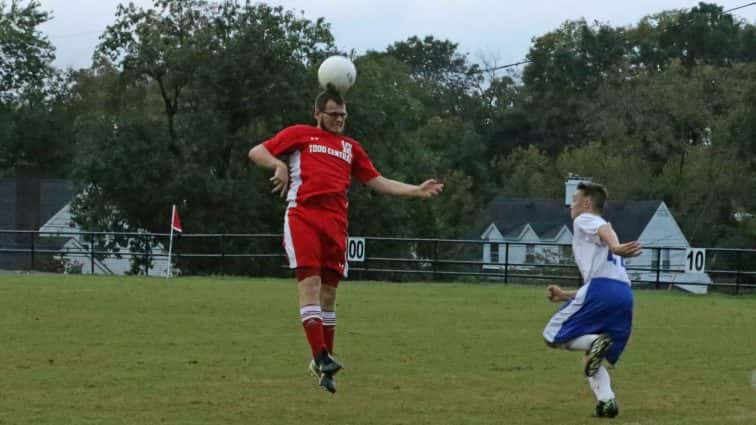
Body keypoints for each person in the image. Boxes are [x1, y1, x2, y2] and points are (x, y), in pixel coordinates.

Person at [248, 88, 443, 394]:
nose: (339, 120)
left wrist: (415, 190)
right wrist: (279, 164)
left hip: (336, 225)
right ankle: (321, 356)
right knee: (310, 287)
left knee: (328, 296)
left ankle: (324, 366)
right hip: (304, 217)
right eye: (333, 114)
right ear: (318, 114)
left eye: (343, 115)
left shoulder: (351, 148)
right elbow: (257, 151)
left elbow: (378, 181)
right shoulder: (301, 134)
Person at [542, 182, 642, 418]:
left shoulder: (584, 219)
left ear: (587, 202)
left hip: (601, 291)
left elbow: (603, 228)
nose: (571, 206)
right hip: (623, 295)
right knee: (593, 359)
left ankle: (594, 341)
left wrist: (615, 246)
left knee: (552, 335)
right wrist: (565, 296)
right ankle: (607, 402)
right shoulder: (596, 235)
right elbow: (602, 279)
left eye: (574, 200)